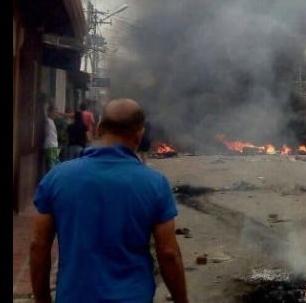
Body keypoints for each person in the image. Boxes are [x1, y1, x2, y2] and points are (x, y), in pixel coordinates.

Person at [30, 98, 188, 303]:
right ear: (140, 133)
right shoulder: (155, 183)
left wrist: (42, 299)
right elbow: (168, 253)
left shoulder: (57, 178)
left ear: (98, 128)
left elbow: (38, 245)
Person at [43, 106, 60, 172]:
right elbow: (46, 133)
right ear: (50, 112)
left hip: (54, 146)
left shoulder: (51, 121)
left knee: (55, 164)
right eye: (54, 112)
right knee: (52, 166)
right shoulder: (48, 121)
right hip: (50, 146)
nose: (56, 114)